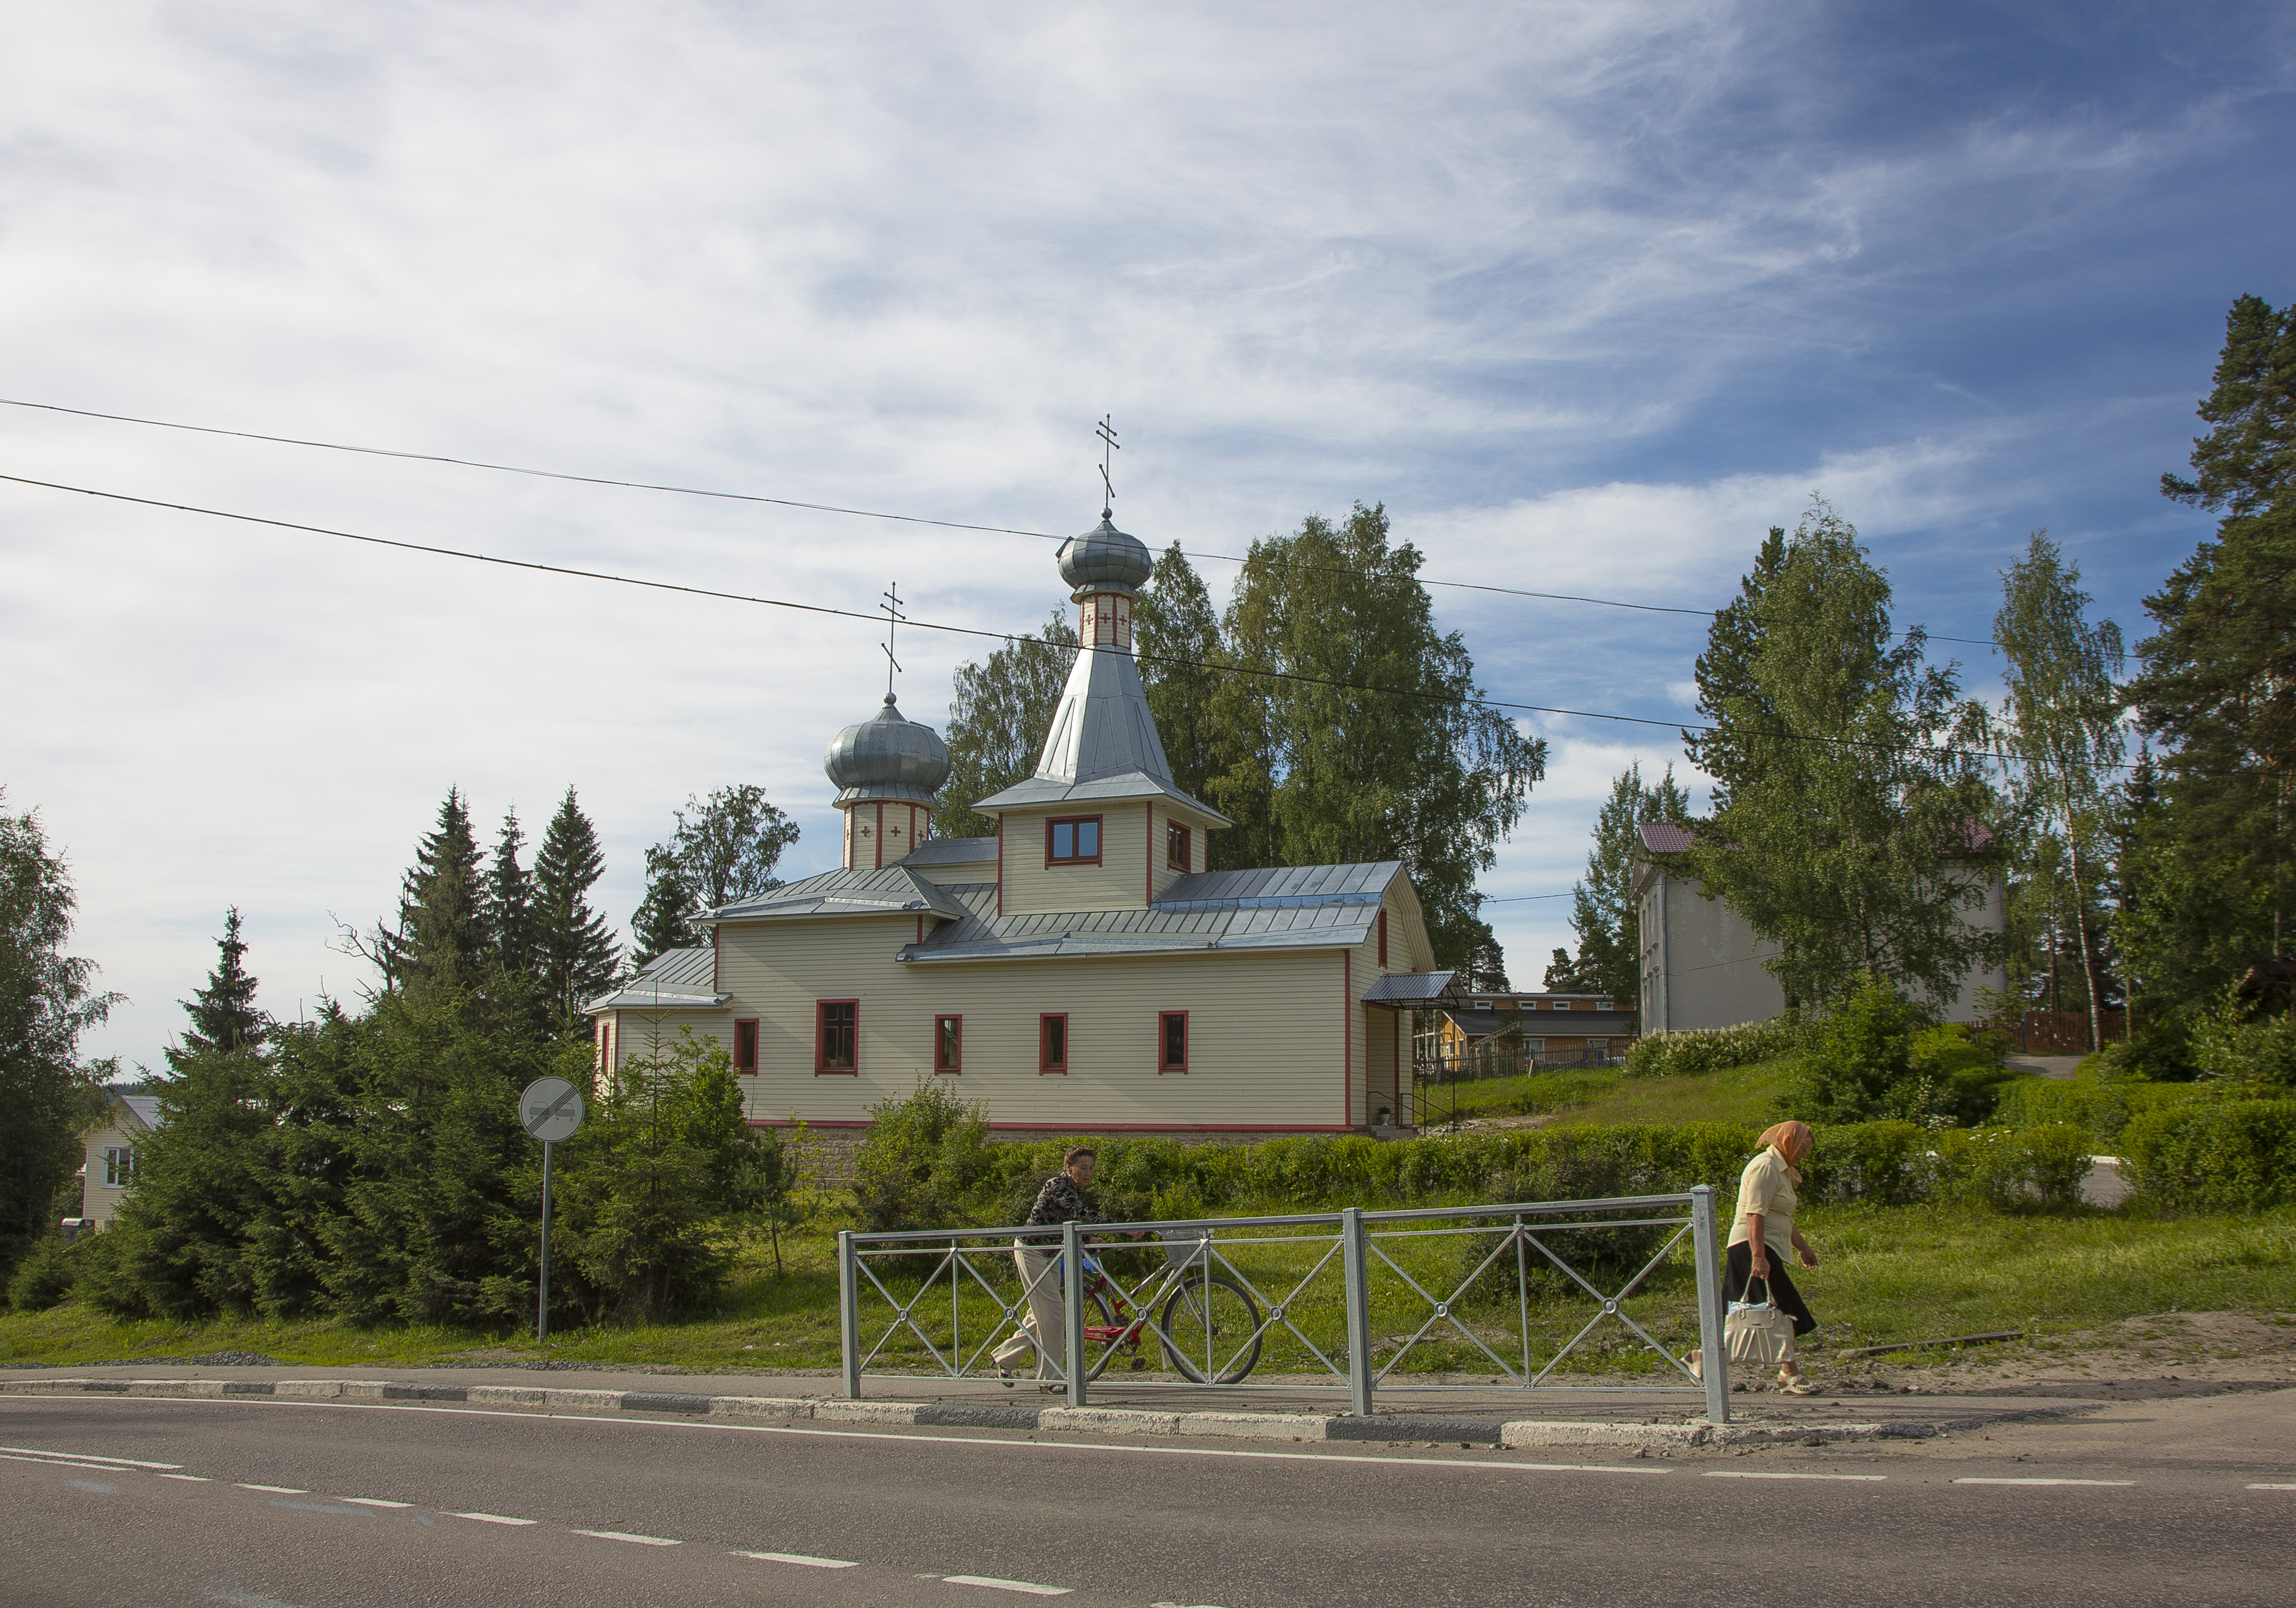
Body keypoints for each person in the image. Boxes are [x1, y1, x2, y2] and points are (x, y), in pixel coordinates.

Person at [1698, 1120, 1822, 1395]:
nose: (1805, 1155)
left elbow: (1783, 1217)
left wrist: (1803, 1248)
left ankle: (1700, 1359)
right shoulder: (1765, 1167)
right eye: (1803, 1149)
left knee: (1745, 1310)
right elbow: (1754, 1214)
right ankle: (1789, 1374)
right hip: (1751, 1247)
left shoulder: (1781, 1170)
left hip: (1766, 1247)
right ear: (1789, 1143)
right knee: (1785, 1310)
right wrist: (1758, 1257)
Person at [993, 1146, 1108, 1388]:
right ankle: (1050, 1379)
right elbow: (1080, 1213)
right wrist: (1121, 1228)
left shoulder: (1073, 1190)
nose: (1088, 1173)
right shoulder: (1057, 1186)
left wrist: (1088, 1239)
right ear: (1069, 1168)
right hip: (1031, 1252)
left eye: (1091, 1168)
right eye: (1083, 1168)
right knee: (1054, 1312)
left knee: (1040, 1314)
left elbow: (1065, 1221)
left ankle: (1004, 1358)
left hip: (1052, 1254)